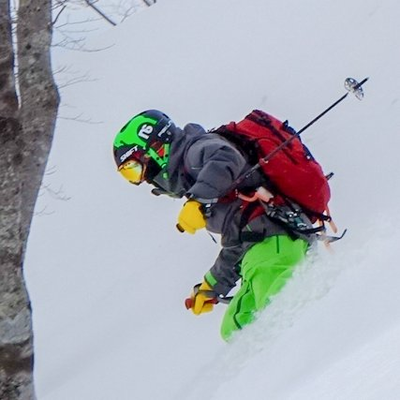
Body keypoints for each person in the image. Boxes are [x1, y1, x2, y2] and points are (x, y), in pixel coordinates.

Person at [113, 109, 316, 340]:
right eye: (130, 175)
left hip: (276, 241)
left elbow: (226, 157)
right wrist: (212, 286)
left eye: (134, 169)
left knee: (277, 314)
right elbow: (236, 241)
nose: (143, 180)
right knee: (234, 327)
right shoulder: (199, 180)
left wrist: (198, 200)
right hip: (262, 248)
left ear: (155, 150)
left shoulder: (195, 152)